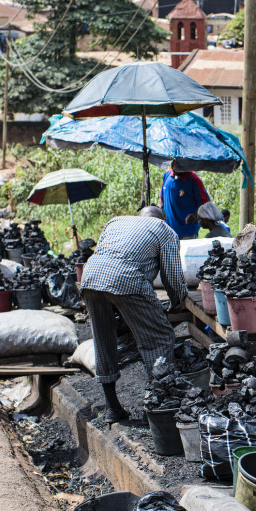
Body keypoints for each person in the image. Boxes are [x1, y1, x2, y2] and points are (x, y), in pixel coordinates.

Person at [81, 206, 187, 422]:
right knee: (159, 338)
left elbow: (105, 256)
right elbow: (173, 277)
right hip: (126, 279)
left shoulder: (116, 221)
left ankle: (113, 409)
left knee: (103, 340)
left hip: (90, 277)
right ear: (163, 220)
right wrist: (177, 303)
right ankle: (159, 409)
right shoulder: (164, 230)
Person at [157, 159, 210, 239]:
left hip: (187, 231)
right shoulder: (167, 175)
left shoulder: (194, 180)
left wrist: (195, 215)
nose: (175, 170)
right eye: (173, 167)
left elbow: (205, 203)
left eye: (179, 168)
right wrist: (161, 213)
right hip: (168, 230)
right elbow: (161, 199)